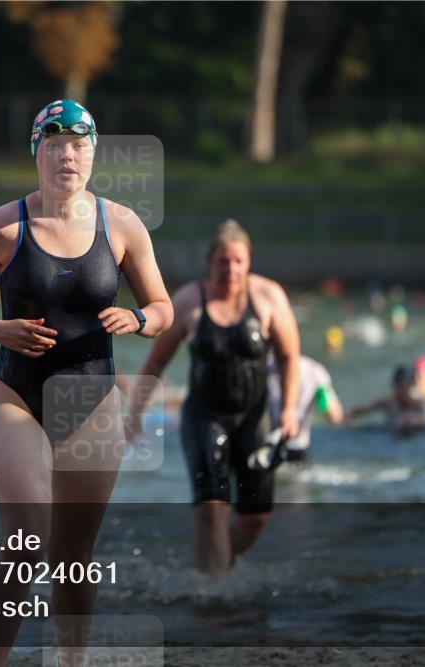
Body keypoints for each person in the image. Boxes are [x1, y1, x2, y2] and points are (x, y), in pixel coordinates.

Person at [0, 99, 172, 667]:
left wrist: (137, 320)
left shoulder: (123, 225)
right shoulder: (3, 226)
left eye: (79, 144)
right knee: (26, 541)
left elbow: (163, 307)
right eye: (55, 144)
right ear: (36, 153)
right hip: (17, 395)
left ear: (93, 153)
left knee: (74, 553)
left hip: (92, 403)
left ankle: (71, 661)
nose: (67, 155)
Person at [130, 220, 301, 575]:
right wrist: (135, 412)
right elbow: (157, 360)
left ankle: (216, 565)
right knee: (211, 507)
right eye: (223, 261)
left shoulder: (269, 297)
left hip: (254, 416)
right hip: (205, 415)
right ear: (210, 263)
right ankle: (213, 589)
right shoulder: (190, 300)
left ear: (249, 262)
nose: (231, 269)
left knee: (256, 516)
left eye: (238, 261)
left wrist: (288, 411)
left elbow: (288, 358)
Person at [267, 353, 344, 464]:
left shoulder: (265, 364)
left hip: (266, 447)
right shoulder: (316, 370)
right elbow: (335, 416)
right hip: (297, 449)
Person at [348, 365, 425, 436]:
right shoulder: (389, 401)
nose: (398, 390)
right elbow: (364, 409)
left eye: (401, 386)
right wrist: (348, 413)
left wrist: (410, 421)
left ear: (410, 386)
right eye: (396, 386)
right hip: (390, 434)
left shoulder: (420, 403)